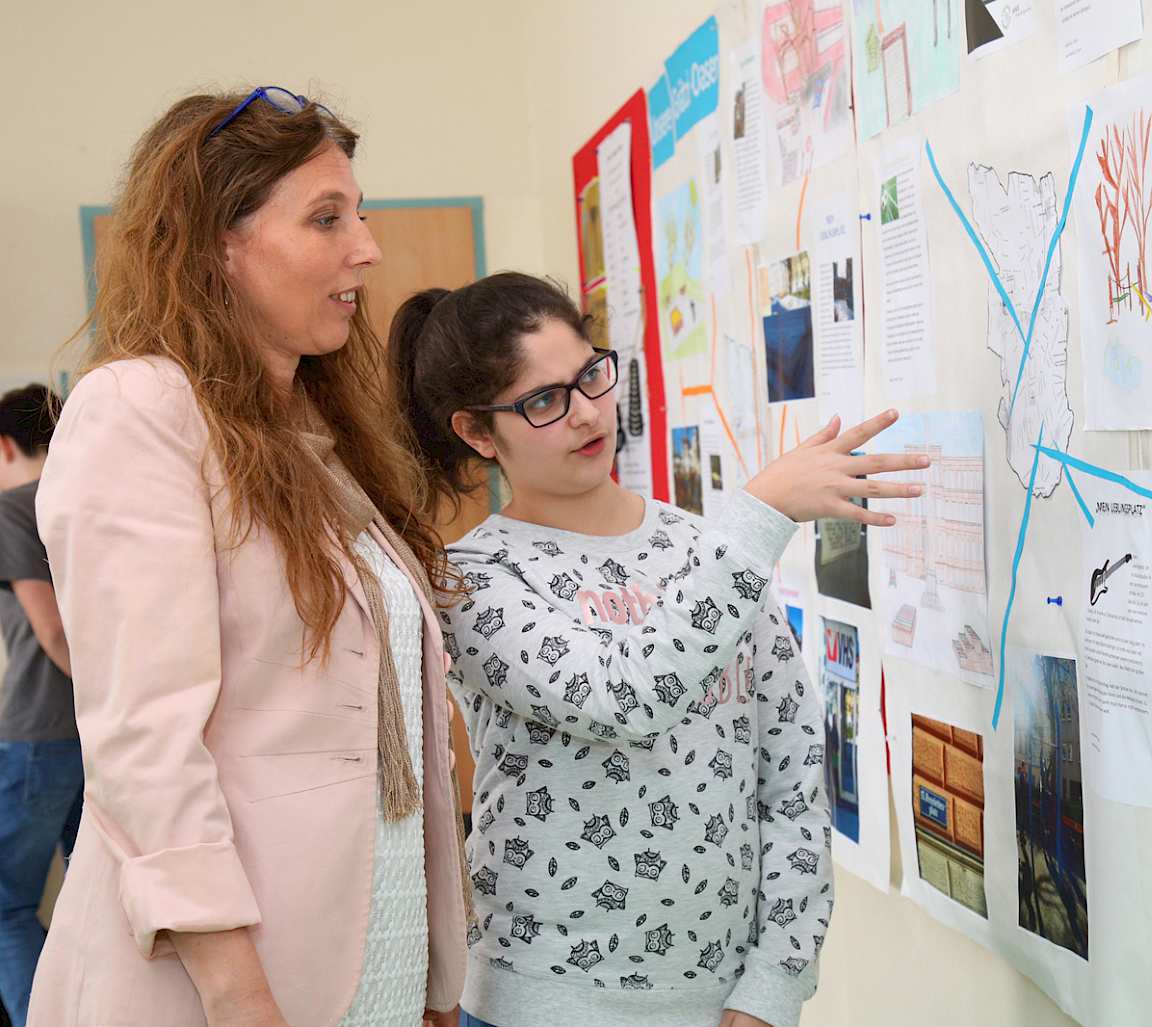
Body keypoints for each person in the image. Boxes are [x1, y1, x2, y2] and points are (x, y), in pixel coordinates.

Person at [29, 88, 466, 1026]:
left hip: (368, 954)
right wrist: (238, 992)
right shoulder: (141, 408)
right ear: (216, 243)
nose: (366, 248)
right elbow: (144, 740)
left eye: (358, 215)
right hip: (232, 978)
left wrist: (427, 962)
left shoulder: (316, 438)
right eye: (325, 218)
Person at [389, 272, 928, 1027]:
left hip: (724, 1001)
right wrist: (761, 514)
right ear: (479, 434)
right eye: (543, 401)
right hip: (541, 1003)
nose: (586, 413)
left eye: (590, 376)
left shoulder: (703, 548)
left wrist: (776, 981)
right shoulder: (471, 581)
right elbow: (624, 697)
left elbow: (792, 767)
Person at [0, 384, 81, 1027]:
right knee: (93, 898)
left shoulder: (13, 508)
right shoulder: (89, 496)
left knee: (5, 905)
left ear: (5, 446)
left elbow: (51, 631)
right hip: (98, 735)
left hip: (39, 733)